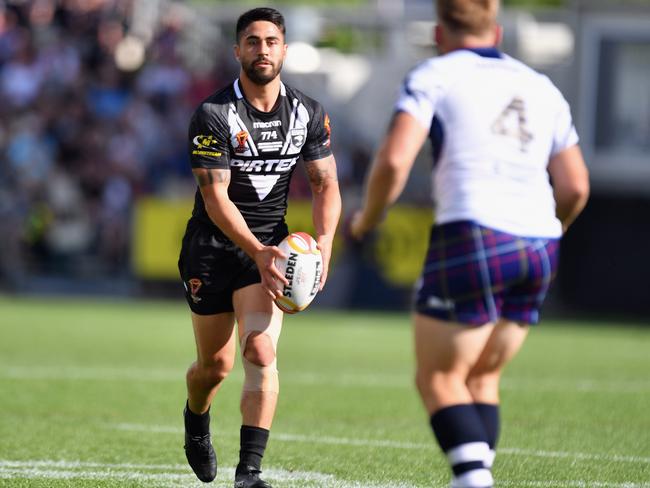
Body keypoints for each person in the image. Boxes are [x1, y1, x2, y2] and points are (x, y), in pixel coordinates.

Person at [350, 1, 589, 487]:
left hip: (474, 229)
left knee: (438, 378)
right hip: (540, 240)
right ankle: (476, 474)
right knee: (481, 377)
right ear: (496, 32)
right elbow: (575, 187)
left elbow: (395, 162)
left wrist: (366, 219)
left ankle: (474, 481)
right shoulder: (542, 86)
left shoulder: (434, 75)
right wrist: (553, 230)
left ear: (440, 32)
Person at [178, 7, 341, 487]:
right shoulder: (212, 114)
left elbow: (326, 184)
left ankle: (249, 473)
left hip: (271, 249)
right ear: (237, 51)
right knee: (216, 366)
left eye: (271, 41)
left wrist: (325, 242)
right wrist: (258, 250)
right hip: (213, 246)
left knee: (261, 351)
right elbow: (215, 197)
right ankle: (196, 419)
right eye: (252, 41)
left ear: (285, 49)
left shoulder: (308, 112)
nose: (262, 50)